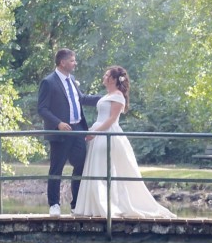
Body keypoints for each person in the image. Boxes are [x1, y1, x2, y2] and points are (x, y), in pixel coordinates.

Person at [73, 67, 173, 220]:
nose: (104, 76)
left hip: (107, 133)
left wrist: (95, 132)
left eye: (107, 74)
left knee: (104, 168)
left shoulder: (118, 96)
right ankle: (94, 206)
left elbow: (112, 119)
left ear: (113, 79)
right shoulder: (108, 95)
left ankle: (108, 205)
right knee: (96, 168)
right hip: (99, 132)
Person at [37, 49, 99, 215]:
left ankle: (76, 204)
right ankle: (54, 205)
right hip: (60, 132)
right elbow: (42, 108)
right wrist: (58, 123)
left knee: (80, 166)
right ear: (63, 62)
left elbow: (82, 99)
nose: (75, 63)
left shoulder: (71, 79)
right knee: (56, 168)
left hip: (78, 129)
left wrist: (106, 98)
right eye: (72, 60)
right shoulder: (48, 82)